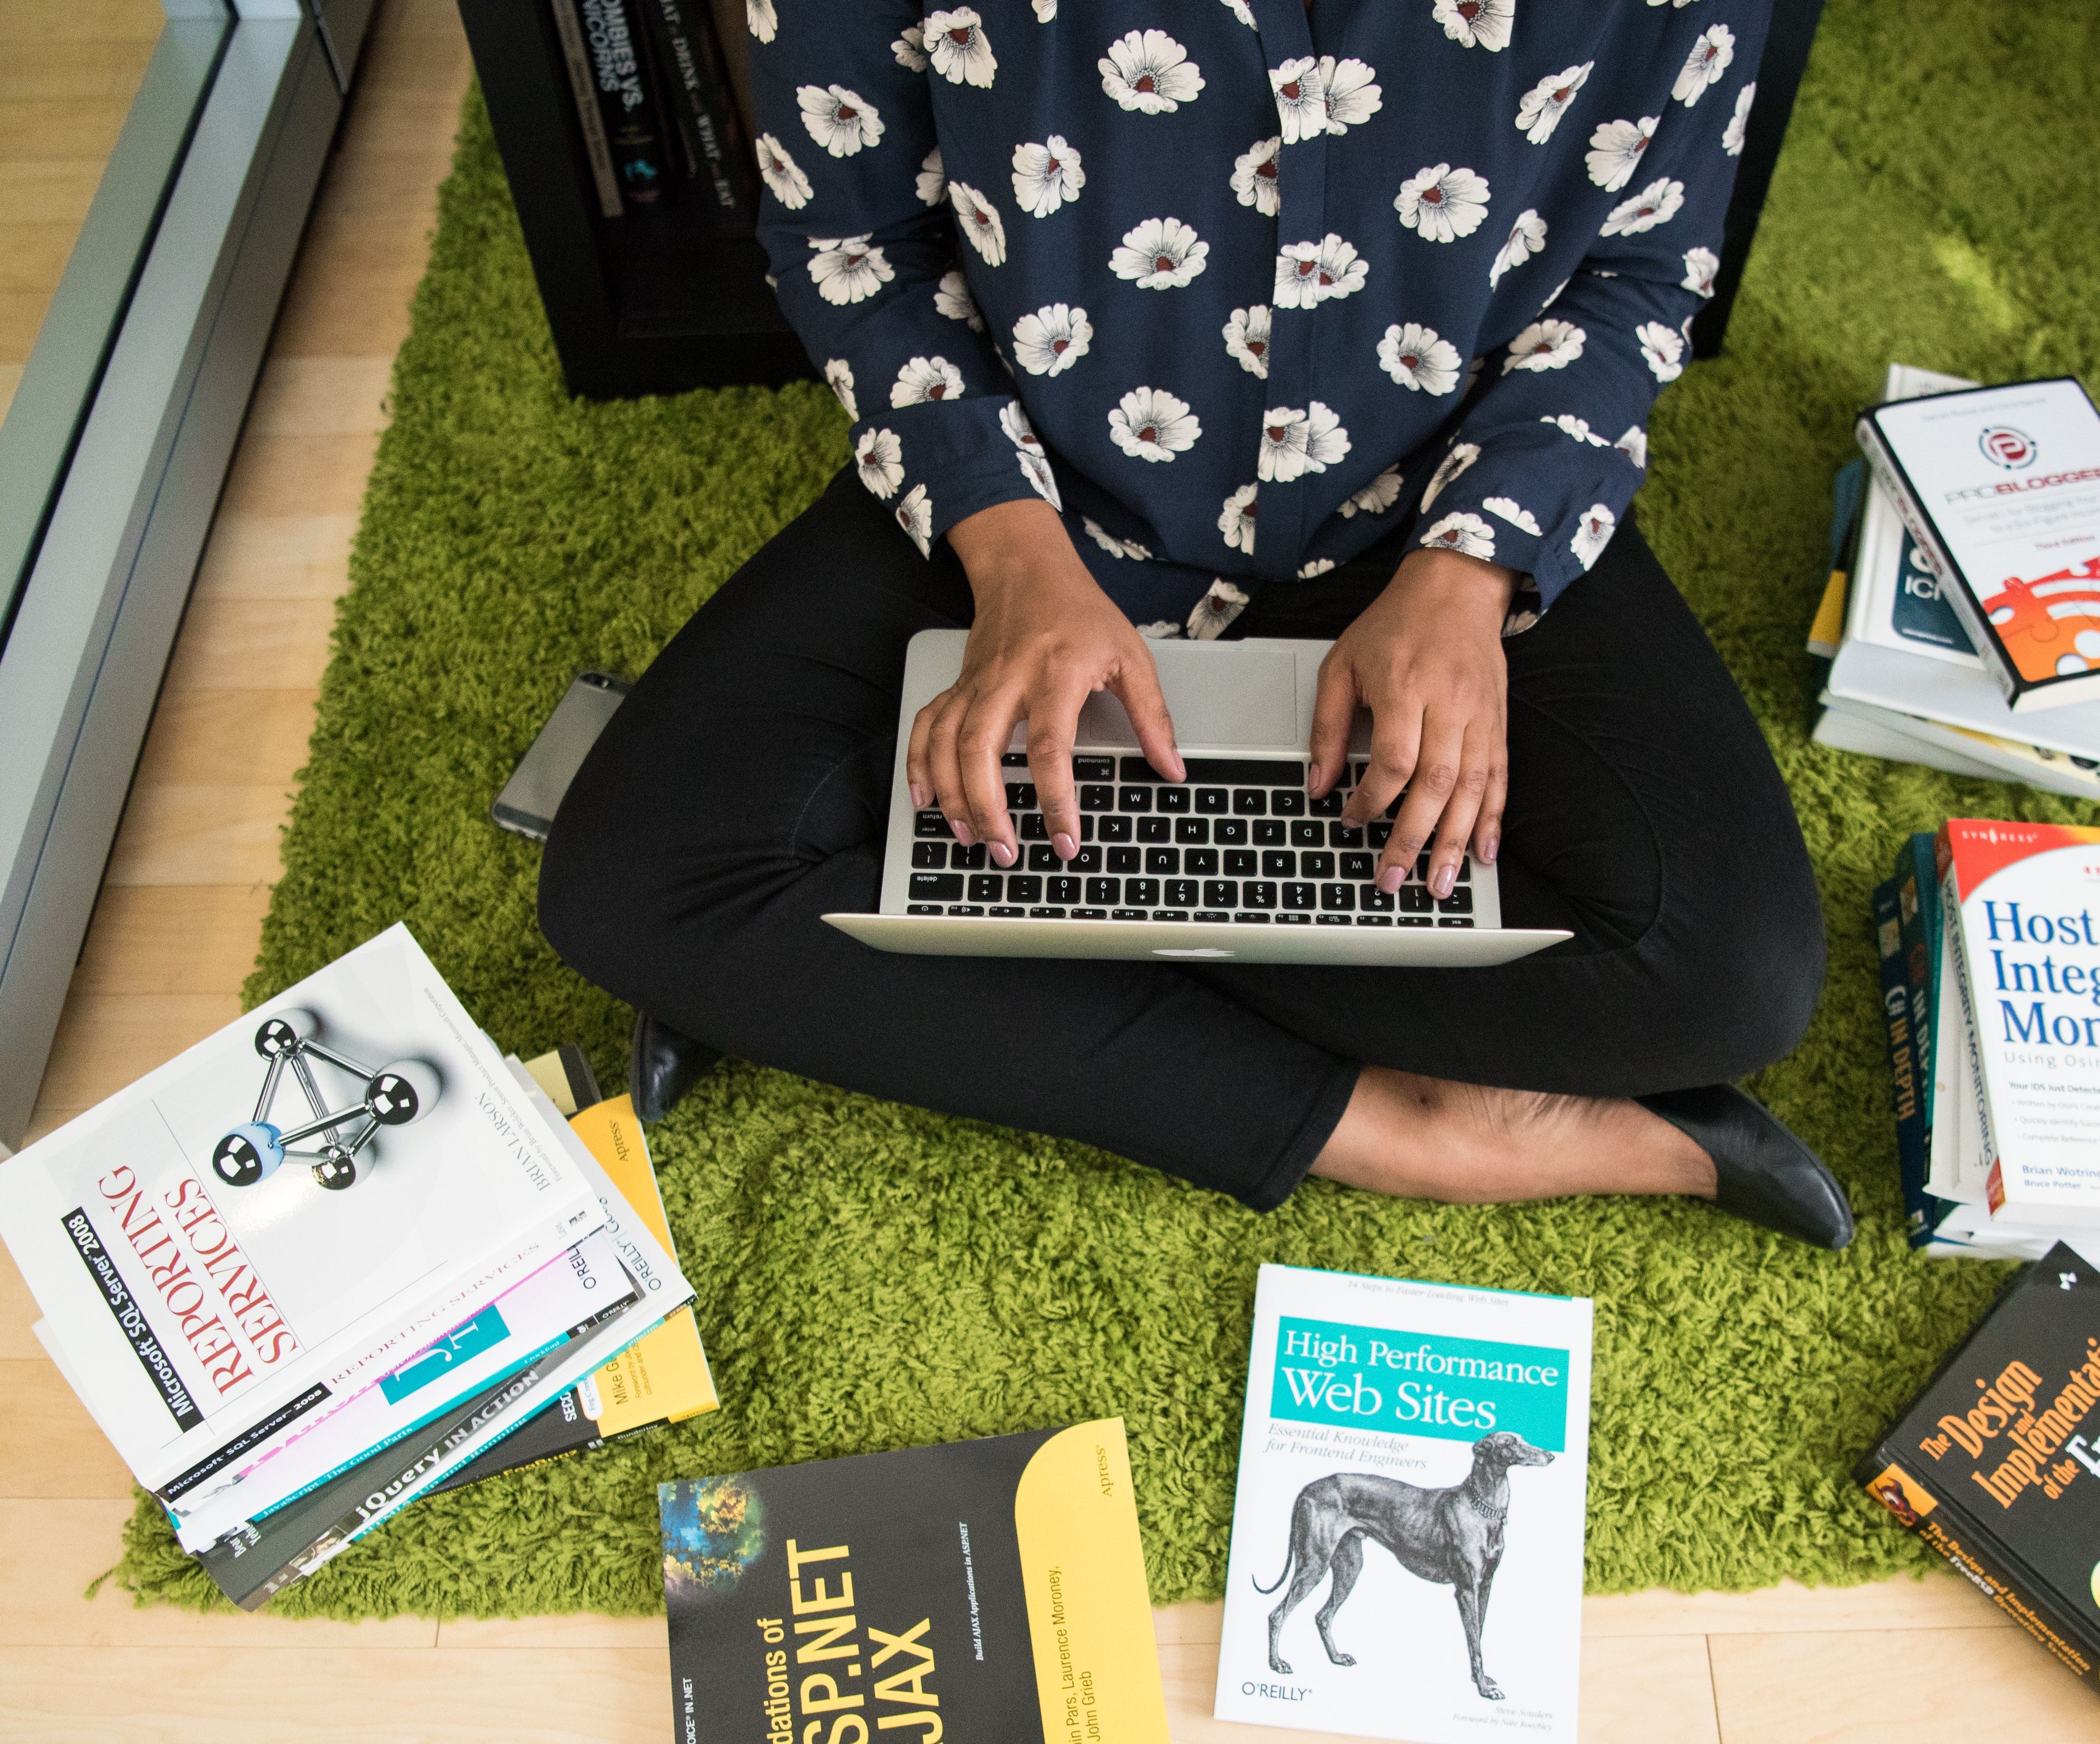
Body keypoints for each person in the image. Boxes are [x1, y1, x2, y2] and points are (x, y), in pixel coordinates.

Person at [540, 0, 1852, 1247]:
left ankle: (862, 969)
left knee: (1729, 972)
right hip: (1038, 491)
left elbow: (1636, 272)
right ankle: (1409, 1124)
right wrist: (1012, 555)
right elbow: (851, 242)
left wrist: (1467, 577)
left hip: (1432, 500)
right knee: (634, 877)